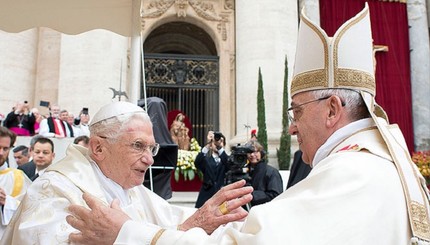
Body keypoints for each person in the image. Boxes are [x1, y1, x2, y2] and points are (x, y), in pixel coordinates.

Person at [64, 4, 430, 244]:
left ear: (333, 109)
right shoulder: (369, 162)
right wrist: (199, 219)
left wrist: (125, 234)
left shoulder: (353, 173)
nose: (291, 128)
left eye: (296, 112)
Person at [0, 101, 253, 244]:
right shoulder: (55, 190)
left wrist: (201, 220)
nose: (148, 159)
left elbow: (173, 225)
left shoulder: (133, 190)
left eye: (152, 148)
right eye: (137, 146)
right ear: (98, 147)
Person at [0, 127, 32, 238]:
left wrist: (6, 202)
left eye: (5, 149)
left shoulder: (18, 177)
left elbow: (31, 210)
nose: (1, 153)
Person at [195, 131, 229, 208]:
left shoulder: (227, 159)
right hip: (206, 197)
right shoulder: (206, 160)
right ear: (211, 145)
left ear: (224, 145)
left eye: (221, 142)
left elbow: (229, 165)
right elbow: (197, 162)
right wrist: (208, 144)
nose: (217, 143)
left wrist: (219, 147)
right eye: (215, 142)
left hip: (222, 197)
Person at [244, 140, 283, 208]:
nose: (252, 155)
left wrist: (252, 195)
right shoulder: (244, 171)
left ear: (261, 153)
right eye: (249, 152)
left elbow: (275, 195)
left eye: (255, 152)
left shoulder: (271, 172)